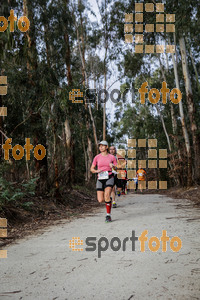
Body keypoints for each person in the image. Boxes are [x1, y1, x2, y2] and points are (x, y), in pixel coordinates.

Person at [91, 141, 117, 222]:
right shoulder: (97, 157)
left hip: (109, 177)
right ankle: (109, 199)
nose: (101, 147)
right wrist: (96, 171)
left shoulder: (112, 157)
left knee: (106, 195)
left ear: (106, 147)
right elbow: (91, 169)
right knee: (100, 200)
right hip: (100, 178)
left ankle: (108, 215)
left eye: (102, 146)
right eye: (100, 146)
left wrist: (113, 166)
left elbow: (116, 168)